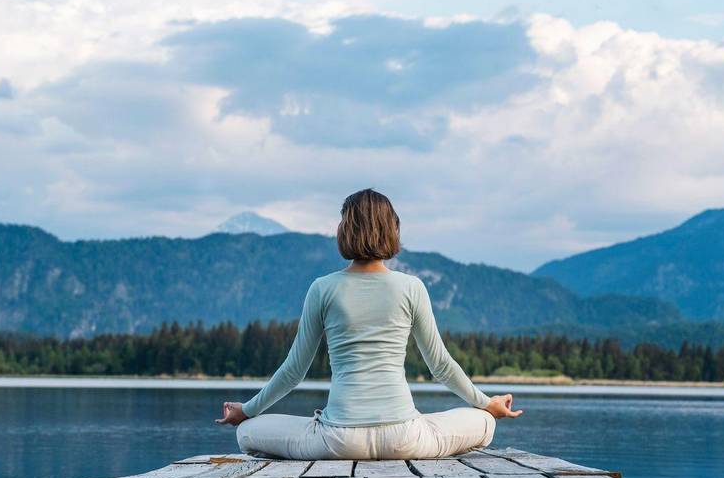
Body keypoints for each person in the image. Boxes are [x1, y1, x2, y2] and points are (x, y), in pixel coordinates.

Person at [215, 188, 522, 459]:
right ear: (392, 230)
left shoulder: (322, 288)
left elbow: (294, 371)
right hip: (405, 438)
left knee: (247, 432)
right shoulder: (412, 287)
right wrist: (487, 403)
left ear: (345, 230)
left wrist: (247, 410)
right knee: (485, 422)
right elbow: (440, 365)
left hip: (338, 440)